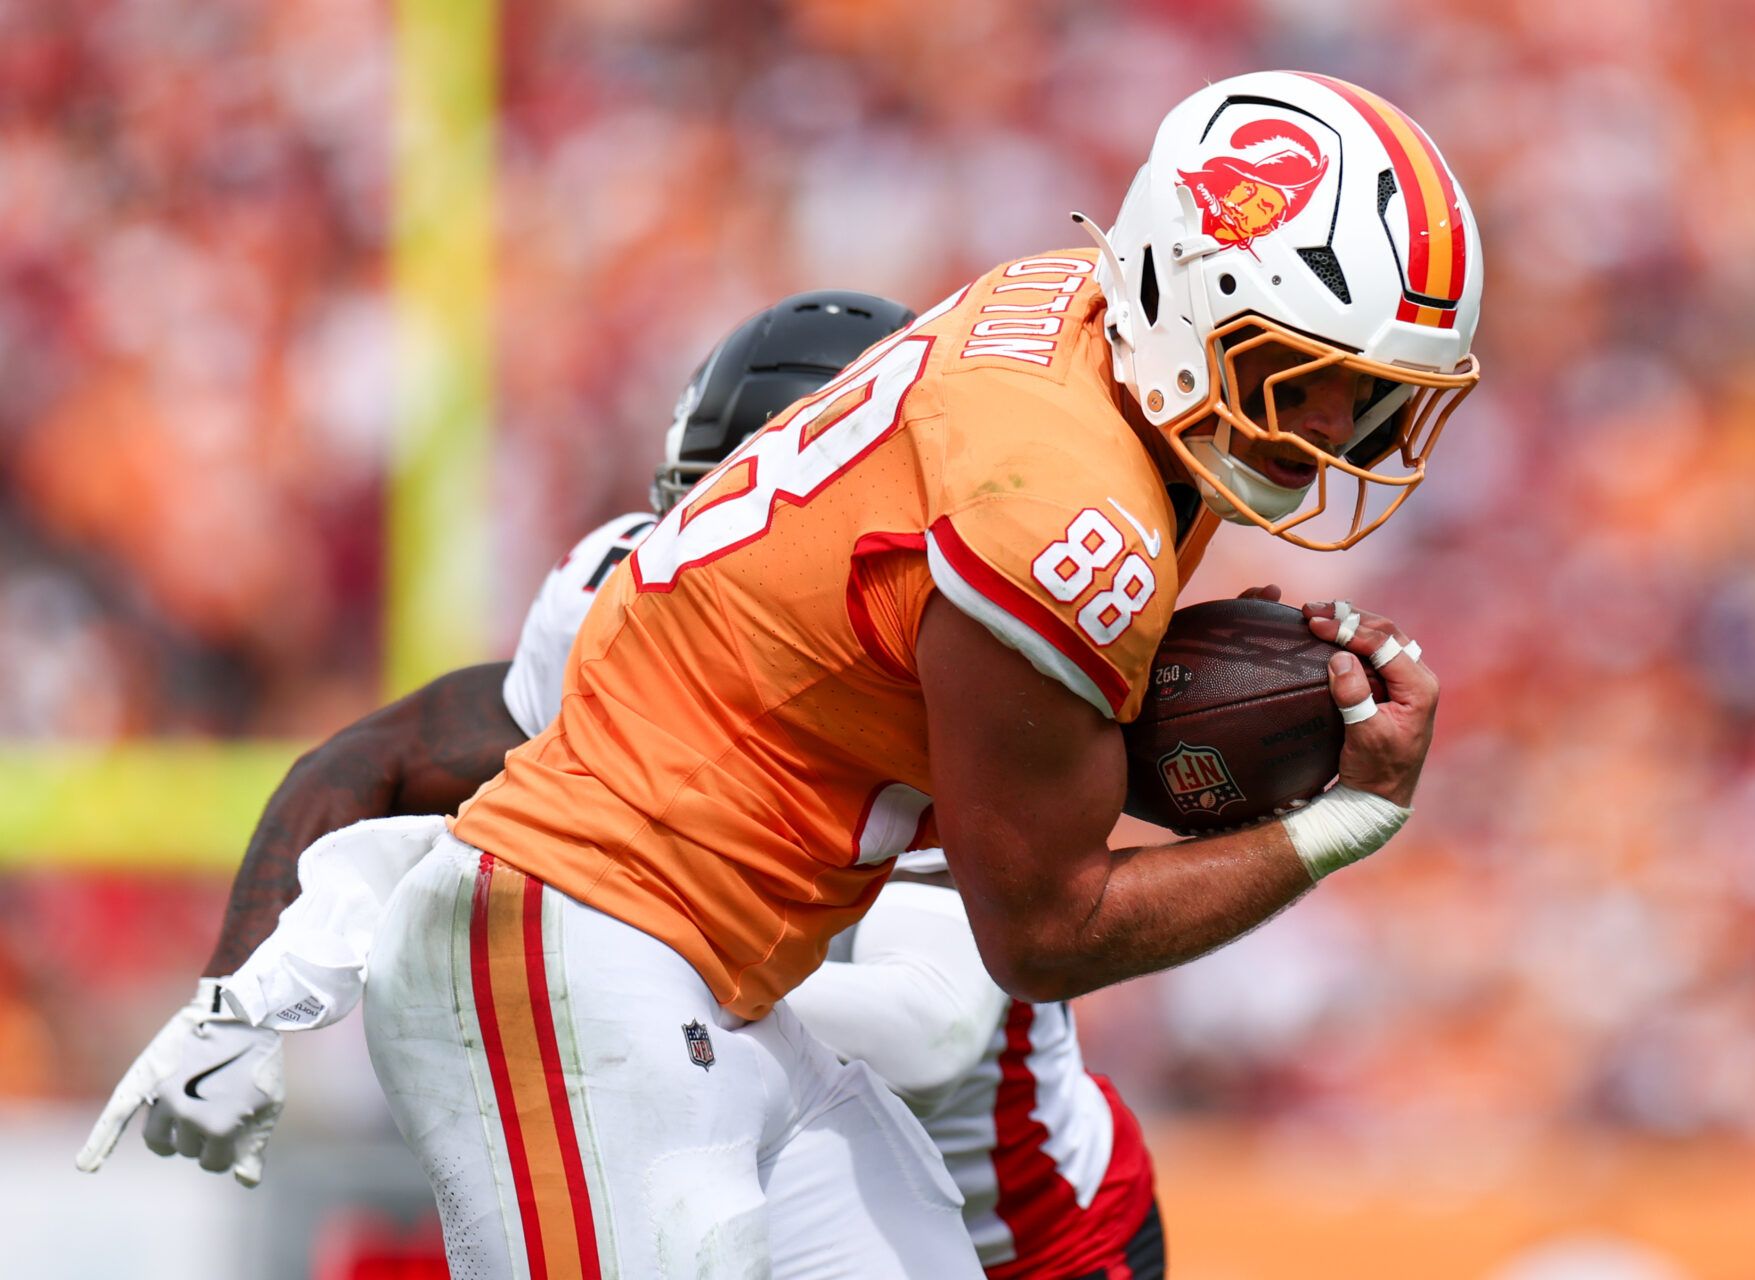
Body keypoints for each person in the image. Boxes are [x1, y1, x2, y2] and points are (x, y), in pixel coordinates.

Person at [89, 70, 1484, 1278]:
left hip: (710, 979)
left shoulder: (1073, 310)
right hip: (587, 954)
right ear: (1187, 288)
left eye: (1361, 396)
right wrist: (1333, 827)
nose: (1329, 431)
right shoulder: (1067, 516)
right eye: (1298, 375)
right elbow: (1039, 934)